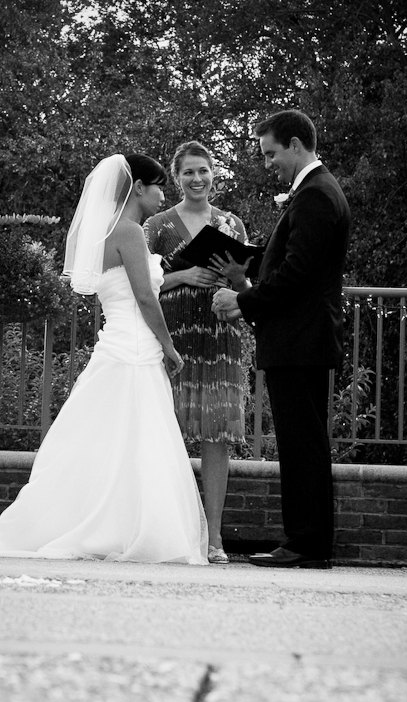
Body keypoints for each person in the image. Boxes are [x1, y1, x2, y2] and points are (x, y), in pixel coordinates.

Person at [0, 153, 208, 564]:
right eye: (159, 187)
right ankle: (131, 529)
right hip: (135, 351)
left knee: (112, 442)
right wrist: (169, 346)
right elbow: (146, 299)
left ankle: (109, 524)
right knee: (139, 443)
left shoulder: (105, 233)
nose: (163, 195)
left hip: (117, 345)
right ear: (139, 188)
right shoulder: (130, 231)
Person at [212, 109, 350, 569]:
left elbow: (297, 272)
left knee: (301, 444)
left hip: (299, 340)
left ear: (294, 144)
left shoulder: (315, 195)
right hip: (302, 338)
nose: (268, 163)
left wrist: (242, 300)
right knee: (304, 442)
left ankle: (305, 544)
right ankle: (308, 543)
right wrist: (248, 269)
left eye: (271, 153)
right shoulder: (318, 191)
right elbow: (293, 261)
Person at [144, 140, 248, 564]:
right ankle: (166, 533)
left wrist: (238, 278)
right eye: (188, 171)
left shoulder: (231, 224)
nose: (197, 178)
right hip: (172, 340)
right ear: (176, 177)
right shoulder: (156, 226)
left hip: (220, 341)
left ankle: (214, 538)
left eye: (203, 170)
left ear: (213, 173)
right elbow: (138, 284)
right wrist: (183, 274)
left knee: (216, 437)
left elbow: (245, 286)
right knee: (163, 434)